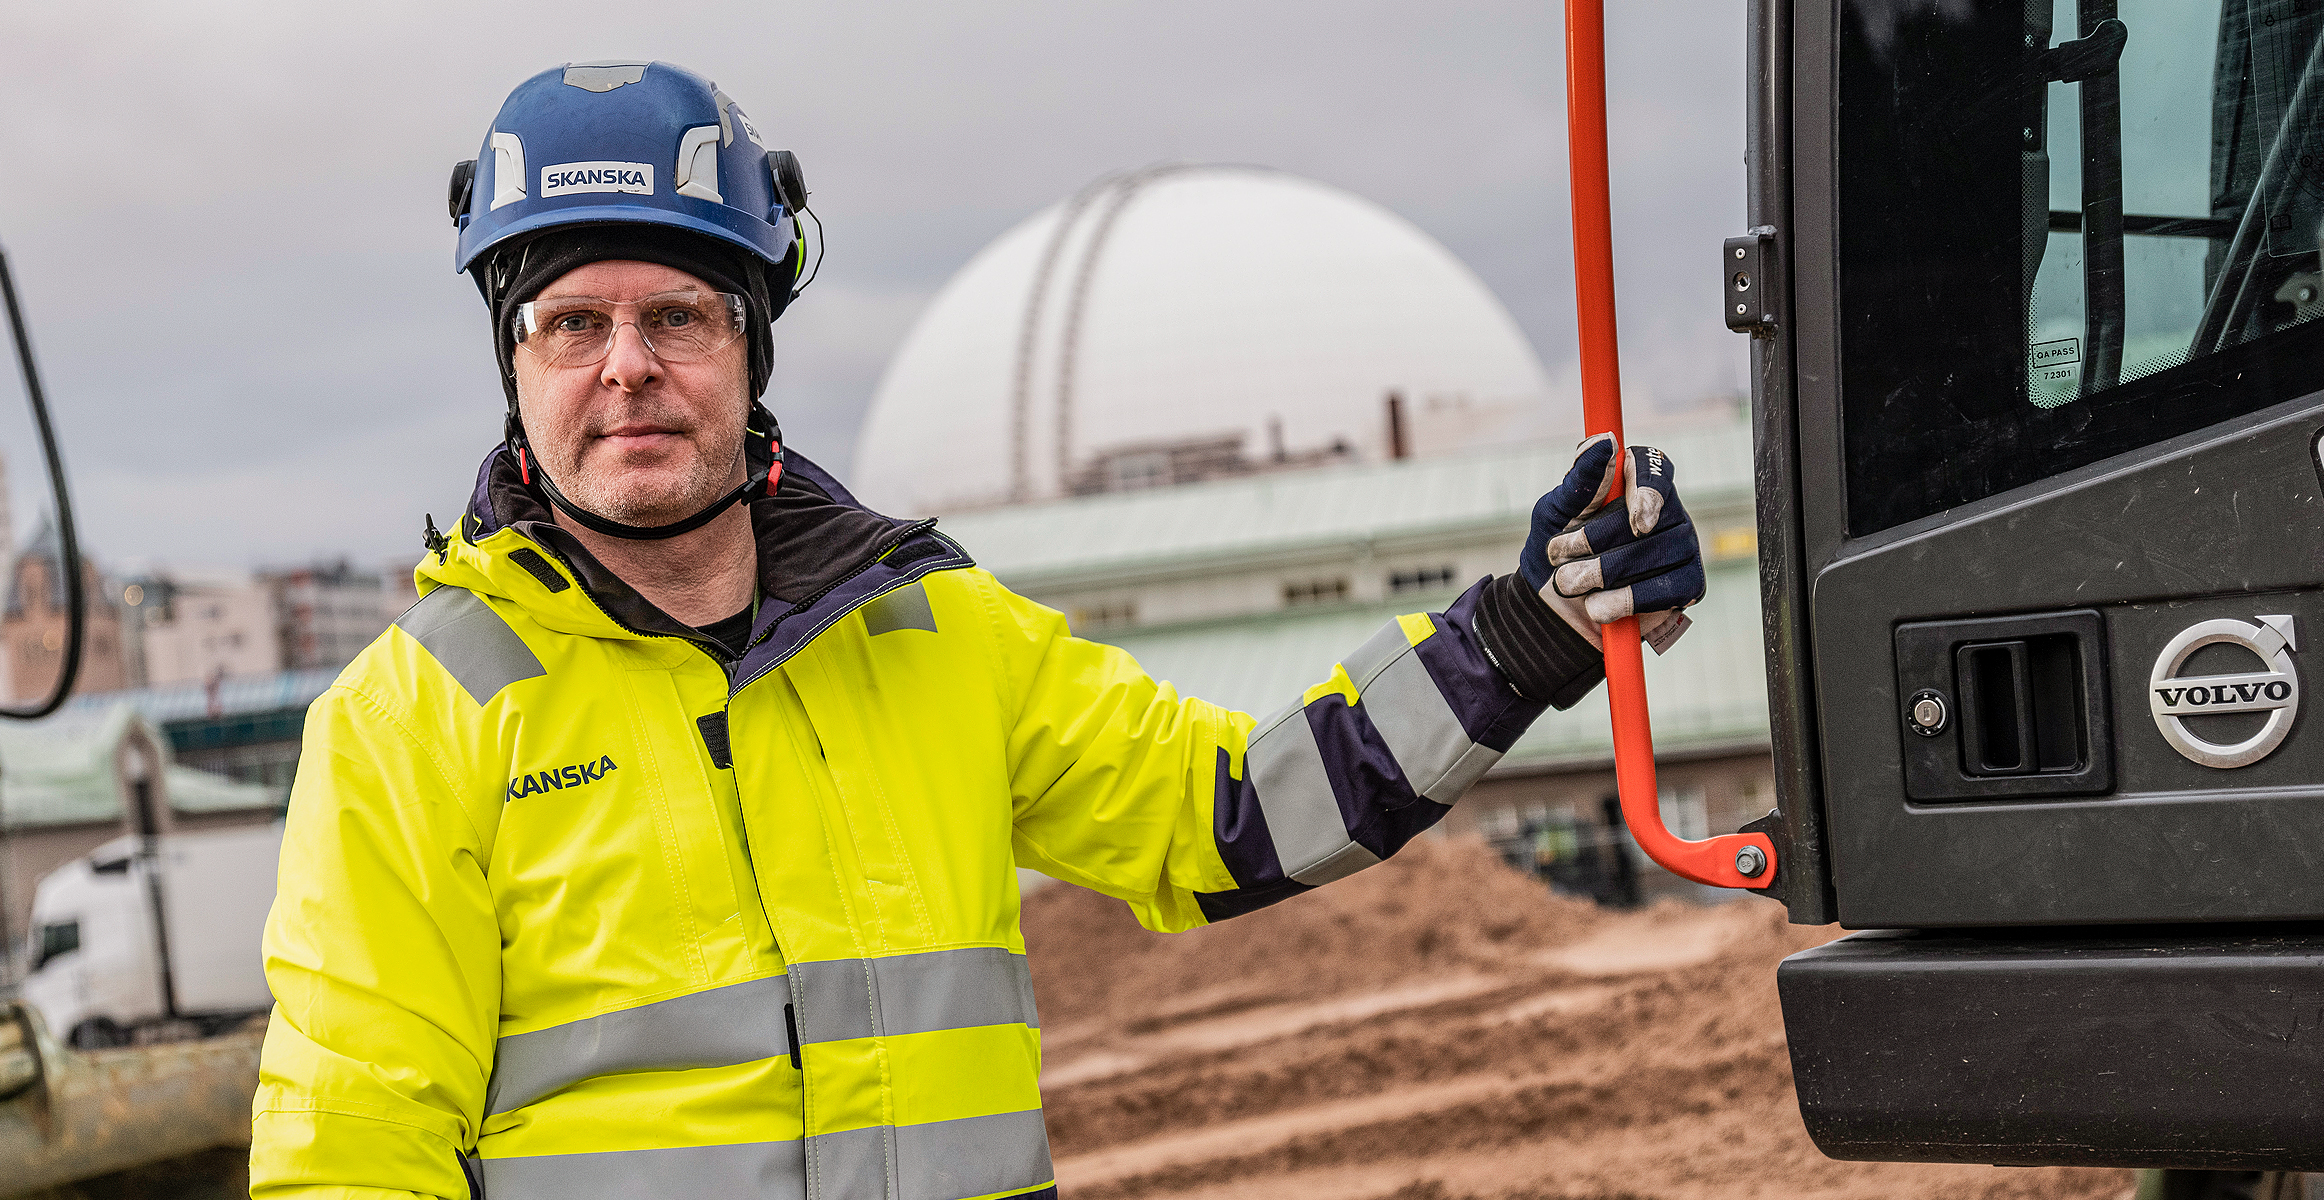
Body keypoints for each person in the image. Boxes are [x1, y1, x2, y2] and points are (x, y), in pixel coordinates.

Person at [247, 61, 1706, 1200]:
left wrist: (1525, 634)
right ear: (513, 364)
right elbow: (355, 1145)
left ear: (751, 341)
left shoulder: (939, 640)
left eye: (678, 315)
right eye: (571, 324)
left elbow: (1234, 812)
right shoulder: (408, 720)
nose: (626, 369)